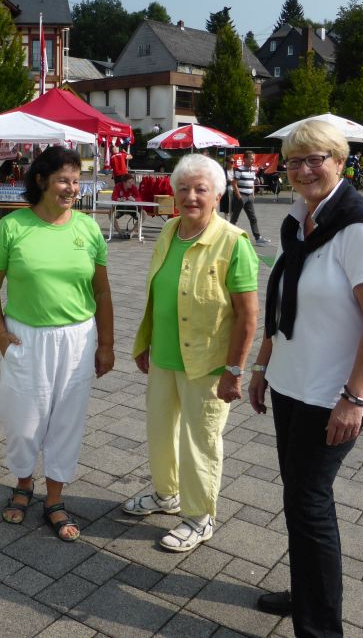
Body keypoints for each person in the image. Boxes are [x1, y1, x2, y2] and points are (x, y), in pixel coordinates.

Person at [248, 120, 363, 634]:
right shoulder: (300, 221)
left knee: (309, 503)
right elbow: (281, 303)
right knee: (299, 497)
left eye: (317, 158)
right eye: (294, 160)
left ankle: (320, 628)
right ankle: (308, 590)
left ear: (340, 161)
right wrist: (263, 365)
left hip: (332, 394)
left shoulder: (359, 230)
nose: (304, 169)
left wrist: (353, 398)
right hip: (293, 383)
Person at [122, 153, 258, 553]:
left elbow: (248, 316)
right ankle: (166, 495)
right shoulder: (168, 230)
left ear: (218, 194)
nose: (191, 196)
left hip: (208, 363)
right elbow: (154, 291)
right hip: (164, 354)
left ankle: (200, 517)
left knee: (201, 441)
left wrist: (234, 371)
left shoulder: (233, 242)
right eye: (184, 188)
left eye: (201, 189)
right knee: (160, 432)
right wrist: (144, 340)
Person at [0, 146, 114, 542]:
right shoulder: (12, 227)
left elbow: (102, 292)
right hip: (26, 336)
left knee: (67, 421)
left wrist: (106, 344)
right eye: (63, 180)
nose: (71, 188)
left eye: (76, 181)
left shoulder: (88, 229)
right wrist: (1, 336)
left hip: (77, 337)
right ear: (40, 180)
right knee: (23, 422)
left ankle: (55, 497)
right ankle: (23, 483)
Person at [230, 150, 272, 245]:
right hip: (241, 196)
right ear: (245, 159)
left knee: (253, 218)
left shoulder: (253, 169)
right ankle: (228, 236)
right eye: (251, 158)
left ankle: (258, 238)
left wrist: (253, 193)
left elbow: (253, 182)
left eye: (253, 158)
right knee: (234, 218)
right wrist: (239, 196)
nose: (253, 160)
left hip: (249, 196)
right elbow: (234, 183)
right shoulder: (239, 169)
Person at [112, 173, 141, 239]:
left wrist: (134, 199)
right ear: (124, 182)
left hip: (132, 208)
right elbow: (113, 196)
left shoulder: (133, 187)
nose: (131, 183)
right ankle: (120, 232)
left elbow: (139, 198)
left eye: (132, 182)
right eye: (129, 182)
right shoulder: (118, 186)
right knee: (110, 213)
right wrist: (119, 199)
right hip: (121, 207)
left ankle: (132, 232)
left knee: (144, 214)